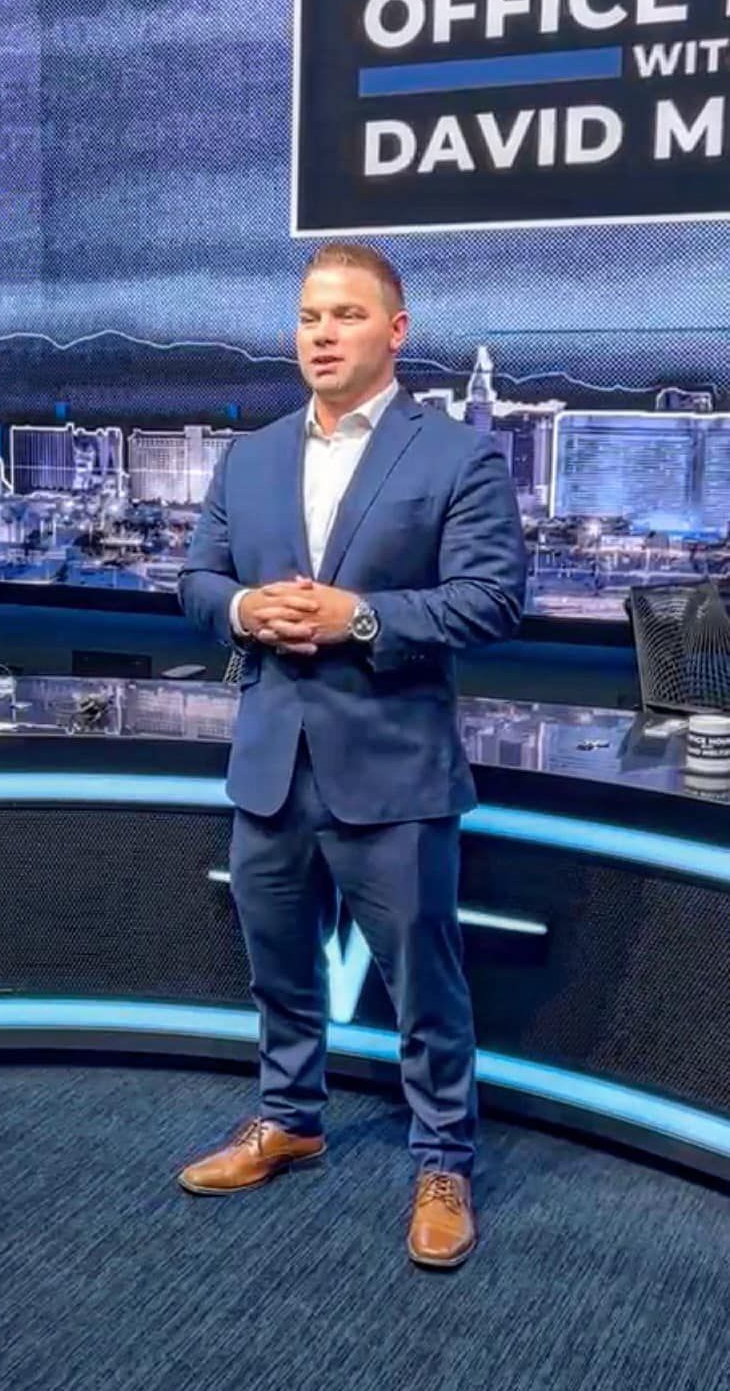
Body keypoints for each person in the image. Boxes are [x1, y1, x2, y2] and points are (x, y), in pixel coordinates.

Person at [177, 243, 527, 1269]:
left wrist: (357, 617)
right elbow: (196, 579)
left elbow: (494, 599)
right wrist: (246, 607)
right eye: (308, 317)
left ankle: (443, 1159)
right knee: (278, 970)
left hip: (395, 771)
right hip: (270, 764)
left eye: (345, 316)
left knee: (427, 988)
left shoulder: (455, 454)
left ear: (396, 331)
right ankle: (289, 1116)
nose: (321, 334)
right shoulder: (252, 454)